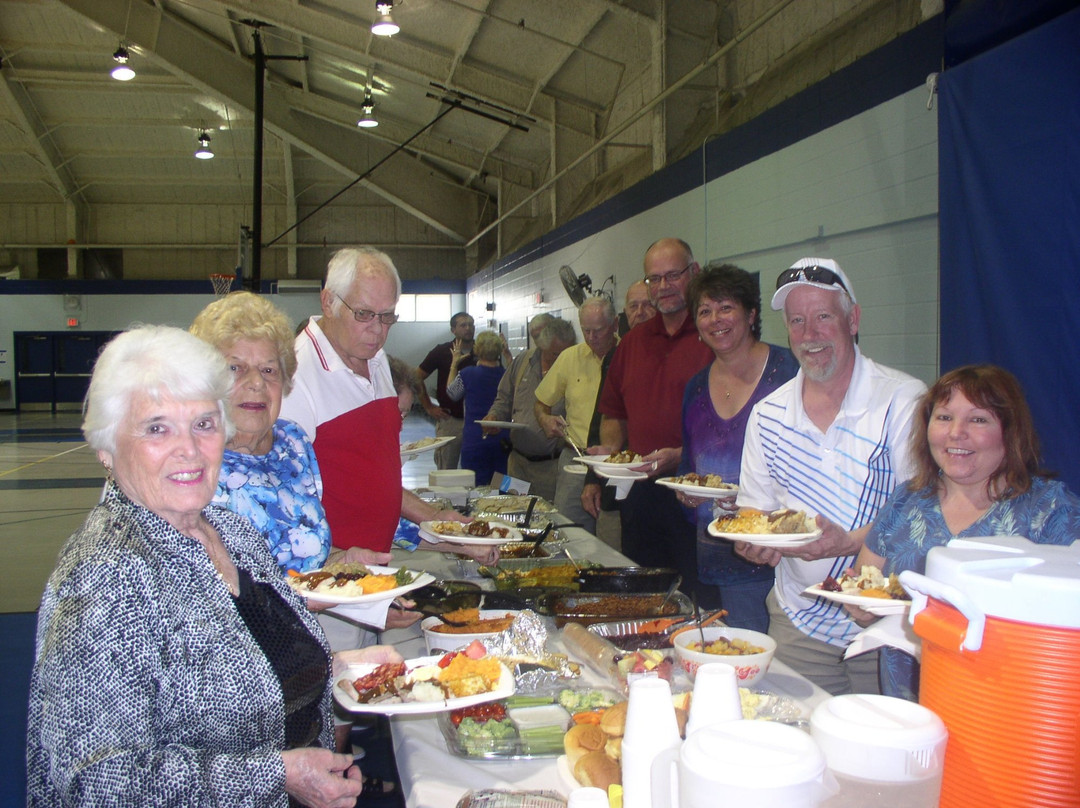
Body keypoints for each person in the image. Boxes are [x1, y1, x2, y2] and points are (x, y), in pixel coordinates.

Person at [26, 324, 403, 806]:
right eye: (157, 427)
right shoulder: (105, 576)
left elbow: (254, 667)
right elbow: (95, 781)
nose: (189, 449)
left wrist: (343, 667)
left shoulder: (231, 533)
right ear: (106, 446)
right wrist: (274, 775)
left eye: (203, 423)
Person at [280, 248, 497, 648]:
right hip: (329, 591)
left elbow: (374, 480)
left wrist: (436, 519)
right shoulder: (296, 378)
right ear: (328, 301)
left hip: (375, 574)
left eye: (388, 316)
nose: (378, 331)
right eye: (364, 314)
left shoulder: (376, 359)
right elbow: (283, 517)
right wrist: (345, 579)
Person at [735, 257, 927, 696]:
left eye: (824, 316)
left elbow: (920, 516)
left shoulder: (902, 401)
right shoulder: (768, 415)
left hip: (885, 623)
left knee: (876, 756)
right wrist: (754, 544)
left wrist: (852, 541)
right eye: (797, 321)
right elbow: (755, 510)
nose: (810, 334)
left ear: (853, 319)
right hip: (797, 619)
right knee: (798, 745)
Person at [851, 364, 1080, 700]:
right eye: (944, 417)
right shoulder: (907, 500)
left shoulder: (1050, 510)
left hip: (1006, 711)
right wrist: (862, 609)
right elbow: (863, 584)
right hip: (908, 707)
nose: (956, 432)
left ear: (1009, 431)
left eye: (978, 419)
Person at [675, 265, 798, 631]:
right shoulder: (695, 389)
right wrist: (687, 493)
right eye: (705, 311)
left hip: (778, 556)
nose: (715, 319)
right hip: (716, 556)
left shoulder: (790, 371)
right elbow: (688, 466)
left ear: (751, 313)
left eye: (726, 307)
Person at [586, 238, 712, 589]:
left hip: (698, 494)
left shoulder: (714, 338)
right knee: (646, 592)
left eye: (672, 275)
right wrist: (612, 457)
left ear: (694, 273)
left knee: (698, 598)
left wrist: (680, 457)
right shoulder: (632, 343)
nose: (662, 287)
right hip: (641, 497)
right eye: (653, 279)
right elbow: (614, 414)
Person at [535, 297, 619, 535]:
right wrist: (544, 419)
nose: (591, 337)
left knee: (611, 536)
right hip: (576, 459)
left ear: (614, 325)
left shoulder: (630, 356)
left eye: (598, 330)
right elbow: (541, 403)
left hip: (616, 465)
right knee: (567, 532)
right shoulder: (570, 358)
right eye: (586, 330)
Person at [482, 317, 575, 500]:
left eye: (566, 352)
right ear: (542, 346)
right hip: (516, 464)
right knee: (512, 513)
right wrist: (493, 416)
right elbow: (504, 398)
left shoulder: (575, 368)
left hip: (552, 468)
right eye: (555, 354)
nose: (561, 358)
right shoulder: (523, 361)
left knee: (547, 519)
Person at [447, 330, 510, 486]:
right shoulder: (507, 375)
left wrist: (454, 364)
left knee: (476, 488)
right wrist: (508, 356)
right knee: (503, 487)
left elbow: (452, 393)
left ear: (477, 350)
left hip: (475, 440)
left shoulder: (468, 374)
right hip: (503, 441)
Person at [417, 312, 476, 469]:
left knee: (478, 472)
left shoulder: (483, 352)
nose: (468, 328)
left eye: (471, 324)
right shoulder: (442, 351)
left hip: (477, 421)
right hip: (450, 421)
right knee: (446, 471)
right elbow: (416, 377)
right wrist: (428, 406)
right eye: (463, 325)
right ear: (453, 330)